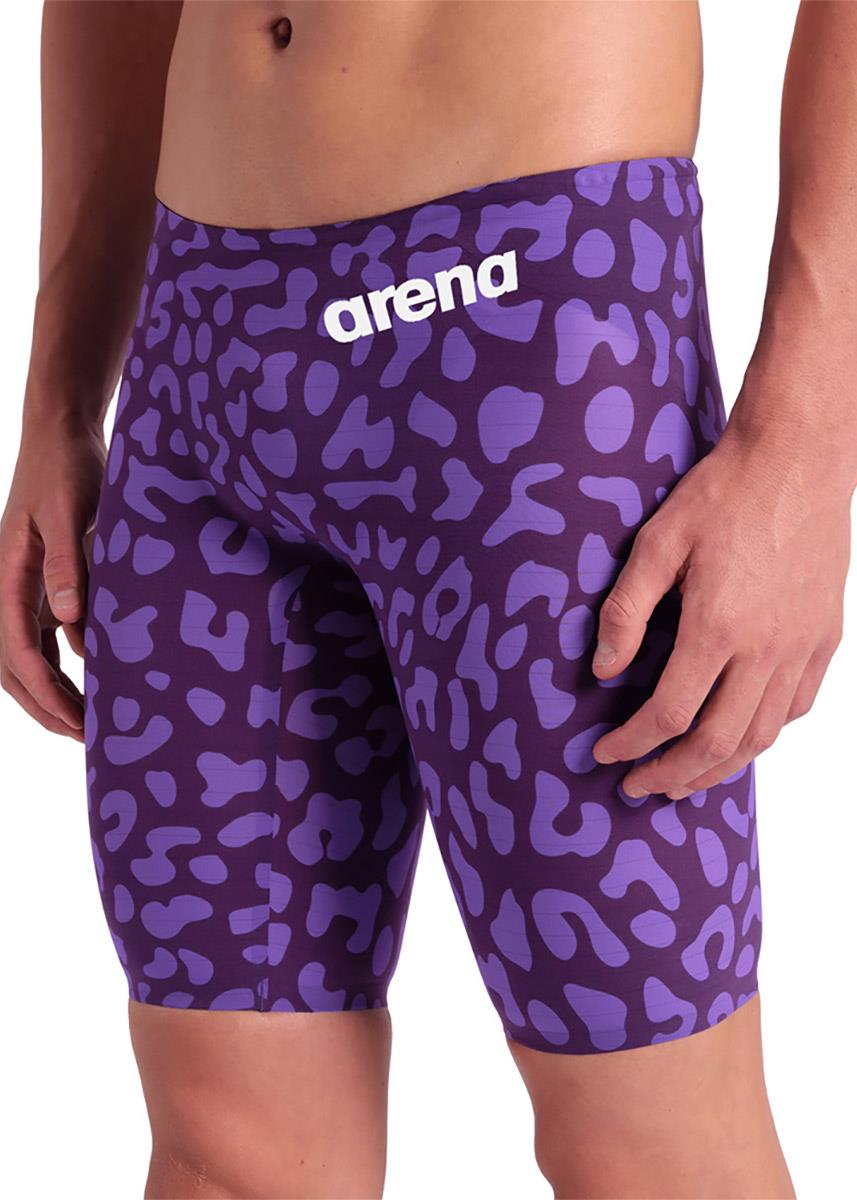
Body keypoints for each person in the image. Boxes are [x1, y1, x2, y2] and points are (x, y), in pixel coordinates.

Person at [1, 1, 852, 1196]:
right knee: (223, 1149)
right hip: (199, 364)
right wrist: (58, 393)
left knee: (647, 1142)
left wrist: (807, 436)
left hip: (532, 344)